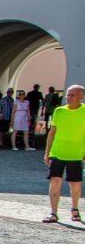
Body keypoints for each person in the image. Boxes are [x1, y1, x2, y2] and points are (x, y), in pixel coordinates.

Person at [42, 84, 85, 224]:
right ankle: (53, 213)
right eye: (67, 94)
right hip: (57, 152)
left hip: (76, 154)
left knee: (75, 184)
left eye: (72, 95)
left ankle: (75, 210)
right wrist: (47, 152)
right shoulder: (59, 111)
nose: (68, 97)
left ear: (81, 96)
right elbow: (52, 133)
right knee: (55, 181)